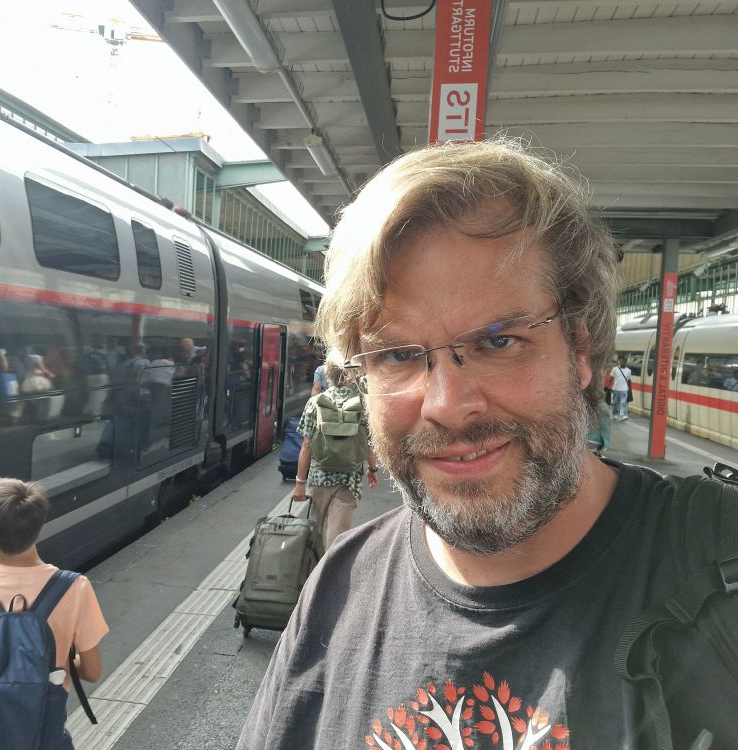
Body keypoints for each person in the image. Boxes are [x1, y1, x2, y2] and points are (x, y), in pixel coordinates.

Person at [236, 139, 736, 748]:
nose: (447, 405)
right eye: (398, 355)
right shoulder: (338, 588)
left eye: (499, 342)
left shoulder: (718, 566)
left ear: (580, 347)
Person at [0, 478, 108, 748]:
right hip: (45, 737)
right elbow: (92, 671)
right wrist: (43, 667)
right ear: (38, 528)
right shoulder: (76, 588)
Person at [292, 362, 379, 551]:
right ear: (350, 376)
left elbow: (306, 445)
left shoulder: (315, 402)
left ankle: (315, 567)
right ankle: (332, 567)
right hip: (349, 480)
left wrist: (300, 482)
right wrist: (372, 469)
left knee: (316, 532)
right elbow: (370, 444)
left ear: (327, 376)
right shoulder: (362, 404)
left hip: (319, 478)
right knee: (337, 535)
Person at [610, 355, 632, 420]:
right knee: (615, 403)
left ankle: (624, 415)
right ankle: (615, 414)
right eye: (621, 361)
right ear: (619, 362)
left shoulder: (629, 370)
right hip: (616, 389)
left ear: (626, 362)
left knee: (623, 402)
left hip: (624, 389)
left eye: (624, 361)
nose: (622, 362)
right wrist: (610, 387)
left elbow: (629, 380)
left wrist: (629, 388)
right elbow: (611, 378)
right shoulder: (615, 369)